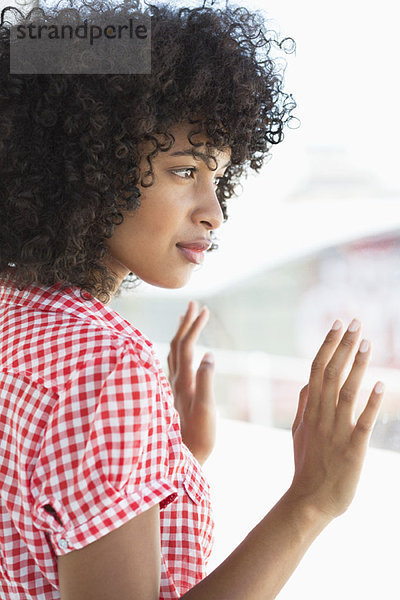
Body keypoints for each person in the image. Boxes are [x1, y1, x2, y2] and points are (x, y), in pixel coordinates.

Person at [0, 1, 384, 599]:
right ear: (86, 166)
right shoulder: (106, 366)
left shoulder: (15, 314)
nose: (214, 211)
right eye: (185, 170)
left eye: (219, 177)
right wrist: (309, 502)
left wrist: (171, 458)